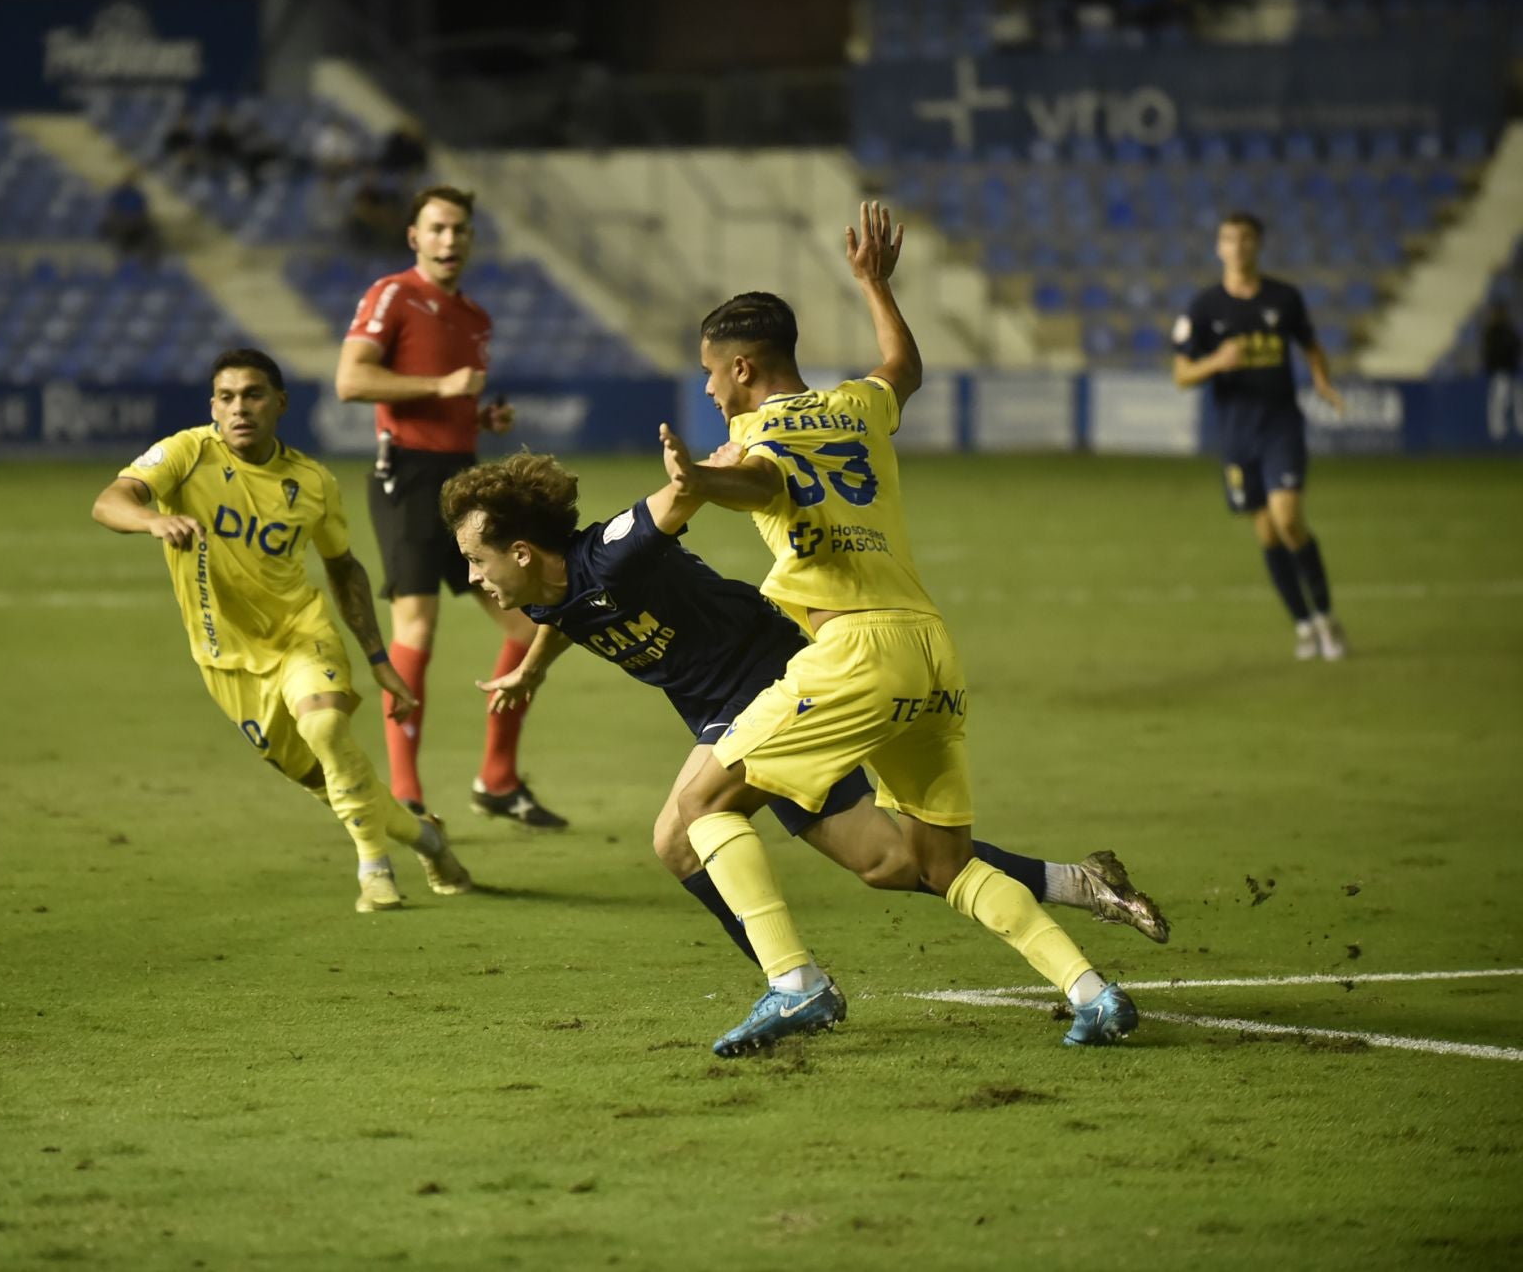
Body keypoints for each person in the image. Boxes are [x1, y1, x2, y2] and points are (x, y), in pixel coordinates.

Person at [653, 202, 1139, 1056]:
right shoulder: (857, 406)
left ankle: (793, 984)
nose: (706, 389)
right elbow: (903, 365)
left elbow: (764, 485)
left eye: (710, 374)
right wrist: (876, 285)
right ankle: (1090, 991)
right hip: (931, 652)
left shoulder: (752, 433)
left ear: (741, 367)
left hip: (855, 654)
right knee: (939, 864)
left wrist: (697, 478)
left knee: (698, 808)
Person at [439, 452, 1169, 974]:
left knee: (678, 834)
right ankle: (1083, 883)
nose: (473, 577)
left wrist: (702, 471)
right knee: (889, 863)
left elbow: (673, 503)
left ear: (525, 549)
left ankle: (791, 984)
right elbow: (563, 615)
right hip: (723, 709)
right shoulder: (539, 588)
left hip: (772, 683)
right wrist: (528, 674)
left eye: (477, 559)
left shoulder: (609, 553)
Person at [91, 348, 473, 914]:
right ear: (213, 406)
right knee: (329, 778)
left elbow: (344, 568)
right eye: (226, 397)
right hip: (224, 658)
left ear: (280, 404)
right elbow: (110, 500)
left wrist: (376, 657)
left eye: (253, 395)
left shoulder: (312, 482)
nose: (239, 408)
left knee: (324, 725)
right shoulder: (187, 452)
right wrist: (153, 518)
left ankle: (375, 870)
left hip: (300, 633)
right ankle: (428, 839)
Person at [334, 185, 568, 829]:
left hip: (461, 480)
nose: (449, 240)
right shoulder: (394, 294)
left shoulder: (475, 319)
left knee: (527, 628)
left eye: (459, 229)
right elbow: (351, 380)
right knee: (417, 628)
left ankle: (496, 780)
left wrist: (478, 415)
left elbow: (448, 401)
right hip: (406, 474)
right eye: (436, 228)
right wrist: (442, 387)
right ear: (414, 236)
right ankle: (406, 799)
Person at [1173, 211, 1347, 661]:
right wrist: (1215, 363)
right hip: (1236, 434)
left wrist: (1322, 380)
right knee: (1268, 533)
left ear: (1258, 245)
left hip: (1281, 424)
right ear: (1219, 247)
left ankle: (1327, 618)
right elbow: (1181, 374)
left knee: (1289, 518)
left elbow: (1310, 345)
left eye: (1246, 238)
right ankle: (1304, 625)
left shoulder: (1284, 298)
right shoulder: (1204, 307)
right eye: (1229, 239)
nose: (1238, 246)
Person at [1482, 300, 1519, 442]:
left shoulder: (1509, 331)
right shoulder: (1492, 332)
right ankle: (1499, 433)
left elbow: (1516, 347)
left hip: (1511, 371)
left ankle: (1510, 431)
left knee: (1512, 400)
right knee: (1499, 401)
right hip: (1499, 372)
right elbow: (1489, 353)